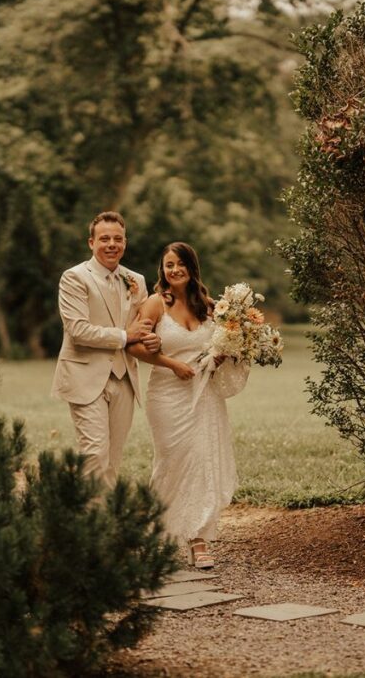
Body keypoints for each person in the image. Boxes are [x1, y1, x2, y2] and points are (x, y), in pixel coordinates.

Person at [127, 242, 236, 569]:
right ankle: (157, 532)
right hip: (166, 394)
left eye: (179, 264)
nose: (173, 270)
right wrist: (171, 363)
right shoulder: (156, 304)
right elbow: (133, 346)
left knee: (202, 461)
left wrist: (221, 357)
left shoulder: (210, 305)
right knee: (172, 461)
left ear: (191, 267)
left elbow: (227, 344)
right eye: (168, 265)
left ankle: (198, 540)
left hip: (204, 395)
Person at [51, 211, 161, 490]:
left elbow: (144, 328)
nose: (112, 244)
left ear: (125, 242)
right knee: (94, 453)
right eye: (104, 239)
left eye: (118, 239)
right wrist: (125, 336)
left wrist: (152, 340)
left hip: (125, 377)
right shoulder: (74, 277)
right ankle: (89, 526)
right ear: (91, 242)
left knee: (112, 458)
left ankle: (104, 522)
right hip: (85, 375)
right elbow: (77, 330)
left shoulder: (136, 280)